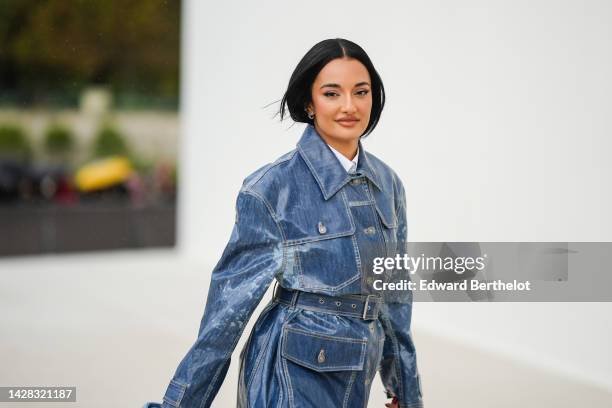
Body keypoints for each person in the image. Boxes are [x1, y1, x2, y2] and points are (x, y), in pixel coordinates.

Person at [149, 38, 423, 408]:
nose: (349, 106)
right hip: (290, 374)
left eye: (361, 91)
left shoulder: (388, 186)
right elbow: (225, 316)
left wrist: (404, 391)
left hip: (357, 374)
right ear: (309, 103)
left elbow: (395, 301)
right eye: (331, 93)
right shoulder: (272, 189)